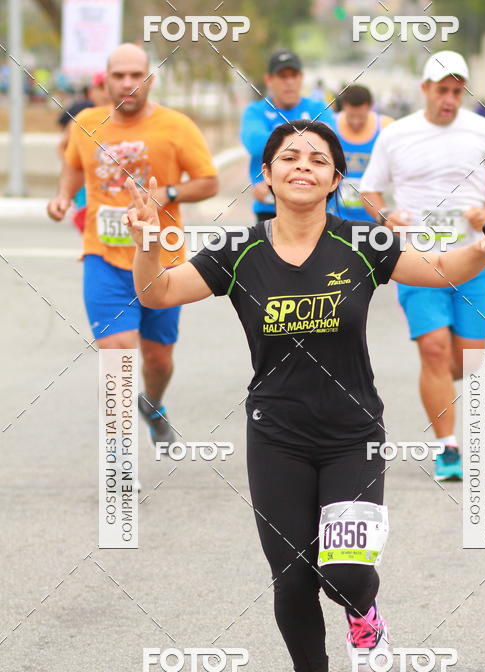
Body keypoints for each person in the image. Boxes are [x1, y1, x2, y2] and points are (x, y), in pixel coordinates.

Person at [123, 121, 485, 672]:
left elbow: (444, 268)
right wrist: (148, 240)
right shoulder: (239, 249)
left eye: (318, 159)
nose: (303, 166)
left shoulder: (362, 240)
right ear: (267, 175)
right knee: (291, 573)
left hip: (351, 433)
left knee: (345, 574)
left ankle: (364, 609)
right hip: (275, 433)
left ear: (336, 179)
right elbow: (158, 290)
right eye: (289, 157)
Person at [47, 43, 218, 449]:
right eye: (119, 75)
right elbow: (73, 165)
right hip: (104, 257)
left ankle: (153, 404)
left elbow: (208, 181)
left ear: (149, 80)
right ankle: (120, 459)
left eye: (135, 75)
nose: (127, 83)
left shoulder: (176, 126)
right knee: (118, 354)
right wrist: (63, 196)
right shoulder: (86, 123)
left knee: (158, 360)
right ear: (105, 80)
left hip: (162, 261)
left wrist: (168, 193)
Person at [360, 51, 485, 481]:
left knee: (466, 363)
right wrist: (386, 217)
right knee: (433, 349)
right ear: (425, 89)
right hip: (418, 259)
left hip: (473, 258)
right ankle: (447, 447)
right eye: (441, 90)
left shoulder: (483, 130)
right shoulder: (397, 134)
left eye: (456, 91)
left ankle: (442, 382)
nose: (449, 98)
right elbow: (370, 191)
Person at [240, 49, 336, 221]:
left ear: (301, 78)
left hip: (313, 203)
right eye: (282, 76)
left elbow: (330, 146)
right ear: (269, 80)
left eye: (294, 75)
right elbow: (255, 145)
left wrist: (276, 139)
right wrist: (309, 134)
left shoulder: (318, 108)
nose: (289, 82)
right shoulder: (256, 110)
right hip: (269, 204)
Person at [56, 73, 110, 233]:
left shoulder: (126, 120)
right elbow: (62, 147)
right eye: (101, 87)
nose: (106, 92)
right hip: (86, 184)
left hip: (113, 183)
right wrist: (76, 167)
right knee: (88, 223)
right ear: (91, 92)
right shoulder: (82, 119)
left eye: (109, 86)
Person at [334, 85, 393, 221]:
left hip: (374, 214)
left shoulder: (386, 127)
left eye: (361, 117)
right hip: (336, 214)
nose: (355, 122)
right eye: (351, 116)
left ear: (370, 106)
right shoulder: (330, 124)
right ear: (344, 106)